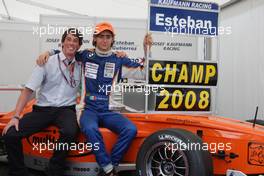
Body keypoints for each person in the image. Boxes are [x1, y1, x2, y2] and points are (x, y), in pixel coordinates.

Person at [2, 28, 83, 176]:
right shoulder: (46, 61)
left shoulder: (82, 63)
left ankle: (54, 170)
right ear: (62, 42)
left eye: (75, 41)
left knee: (71, 131)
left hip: (66, 109)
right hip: (43, 109)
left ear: (79, 46)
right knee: (10, 134)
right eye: (69, 39)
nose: (71, 43)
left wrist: (118, 54)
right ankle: (18, 172)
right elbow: (28, 90)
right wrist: (16, 116)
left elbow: (100, 53)